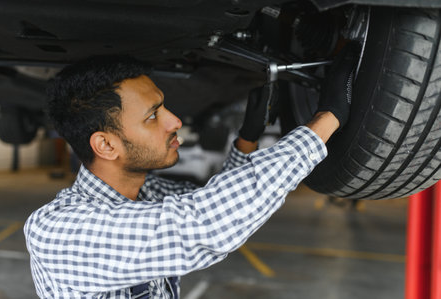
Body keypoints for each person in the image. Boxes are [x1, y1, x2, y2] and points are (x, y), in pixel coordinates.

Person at [24, 44, 359, 298]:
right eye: (153, 116)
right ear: (106, 146)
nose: (175, 121)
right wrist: (326, 119)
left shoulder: (147, 195)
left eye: (164, 106)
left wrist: (247, 138)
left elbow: (216, 200)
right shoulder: (56, 231)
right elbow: (204, 224)